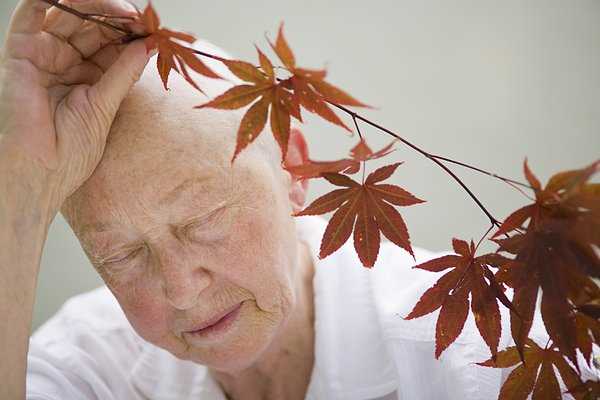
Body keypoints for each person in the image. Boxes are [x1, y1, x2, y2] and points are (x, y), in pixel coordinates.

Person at [1, 1, 596, 399]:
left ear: (293, 170)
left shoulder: (488, 357)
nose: (182, 288)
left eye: (205, 218)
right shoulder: (91, 361)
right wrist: (19, 184)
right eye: (122, 256)